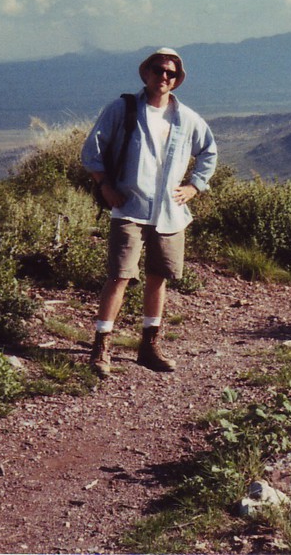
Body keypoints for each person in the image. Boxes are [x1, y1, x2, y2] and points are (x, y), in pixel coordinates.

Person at [81, 48, 217, 377]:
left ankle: (149, 345)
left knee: (158, 278)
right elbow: (92, 149)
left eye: (171, 73)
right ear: (147, 73)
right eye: (158, 70)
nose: (164, 77)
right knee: (119, 276)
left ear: (177, 79)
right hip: (130, 207)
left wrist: (195, 186)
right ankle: (101, 348)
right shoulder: (123, 109)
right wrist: (104, 185)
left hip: (170, 212)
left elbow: (209, 152)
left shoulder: (187, 119)